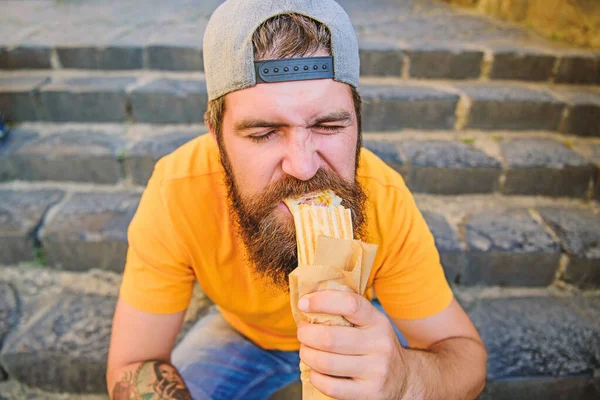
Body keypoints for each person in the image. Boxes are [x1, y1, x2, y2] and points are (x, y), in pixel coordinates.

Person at [106, 1, 487, 399]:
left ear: (358, 123)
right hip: (244, 336)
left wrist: (406, 376)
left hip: (359, 328)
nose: (303, 167)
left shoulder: (383, 195)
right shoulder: (178, 190)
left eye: (328, 126)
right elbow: (134, 364)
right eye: (263, 133)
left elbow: (465, 359)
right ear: (216, 137)